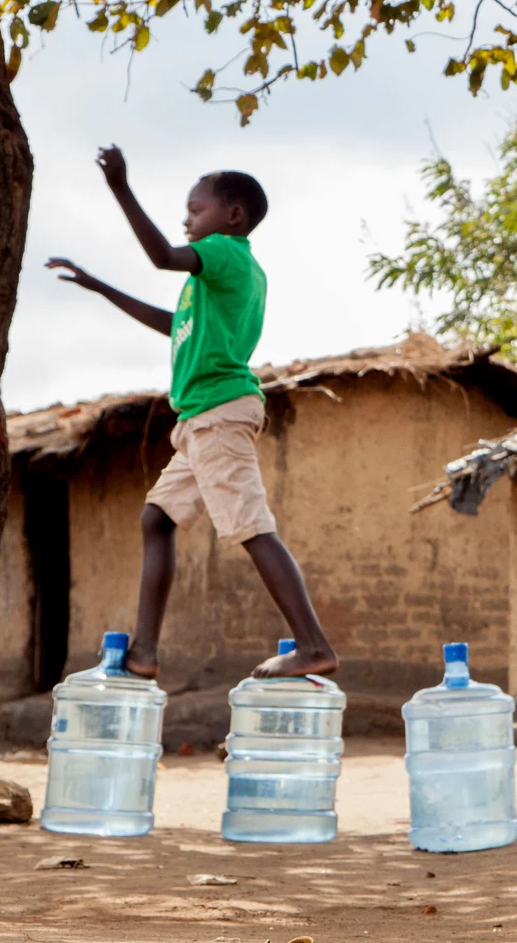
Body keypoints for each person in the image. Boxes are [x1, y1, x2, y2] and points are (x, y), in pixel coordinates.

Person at [46, 147, 338, 681]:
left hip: (219, 415)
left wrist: (120, 188)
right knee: (156, 519)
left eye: (194, 208)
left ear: (233, 216)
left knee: (250, 526)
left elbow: (161, 255)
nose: (186, 218)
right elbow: (169, 322)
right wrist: (98, 286)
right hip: (199, 421)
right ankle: (145, 653)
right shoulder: (209, 280)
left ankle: (313, 644)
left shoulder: (226, 253)